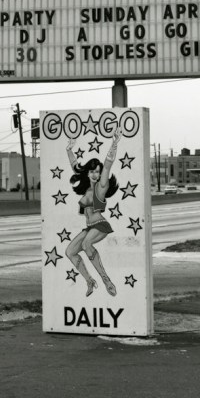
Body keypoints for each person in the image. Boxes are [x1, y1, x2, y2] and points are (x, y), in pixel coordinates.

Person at [65, 126, 121, 296]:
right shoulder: (86, 189)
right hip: (90, 227)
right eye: (92, 171)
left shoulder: (100, 188)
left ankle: (106, 280)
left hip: (100, 225)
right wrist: (69, 149)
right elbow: (76, 168)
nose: (96, 174)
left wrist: (114, 143)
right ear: (88, 173)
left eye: (98, 171)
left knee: (86, 244)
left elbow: (108, 165)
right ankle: (90, 281)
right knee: (70, 252)